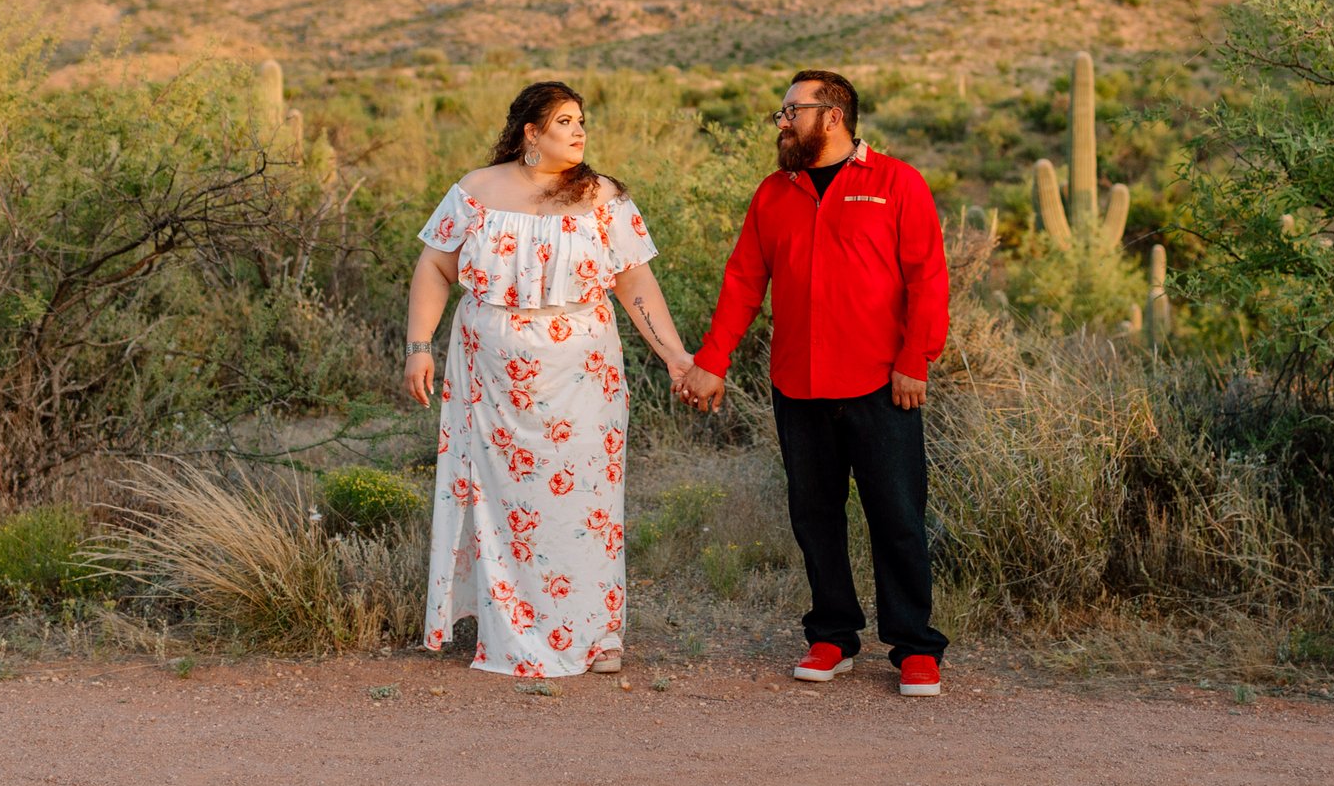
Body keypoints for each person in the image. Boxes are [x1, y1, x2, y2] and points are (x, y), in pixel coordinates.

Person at [405, 81, 696, 678]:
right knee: (501, 501)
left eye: (582, 120)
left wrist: (675, 355)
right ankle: (504, 627)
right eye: (565, 121)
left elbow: (634, 284)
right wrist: (418, 346)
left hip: (581, 374)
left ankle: (597, 633)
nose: (580, 131)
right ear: (530, 133)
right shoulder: (476, 190)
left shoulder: (603, 197)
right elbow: (435, 265)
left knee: (585, 498)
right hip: (489, 378)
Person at [677, 70, 952, 696]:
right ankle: (832, 634)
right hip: (797, 385)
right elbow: (744, 280)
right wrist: (713, 359)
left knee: (898, 517)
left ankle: (914, 647)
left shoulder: (896, 183)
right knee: (814, 516)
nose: (781, 122)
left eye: (791, 111)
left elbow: (928, 278)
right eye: (782, 111)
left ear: (832, 116)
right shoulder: (775, 193)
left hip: (882, 384)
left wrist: (916, 358)